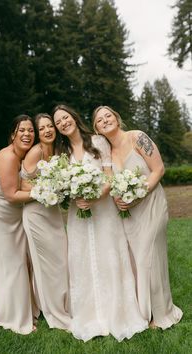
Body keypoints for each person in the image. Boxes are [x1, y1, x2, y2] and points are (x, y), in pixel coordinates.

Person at [52, 104, 148, 342]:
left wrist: (95, 197)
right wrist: (75, 195)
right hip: (79, 213)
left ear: (74, 117)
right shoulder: (60, 153)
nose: (63, 123)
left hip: (103, 209)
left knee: (109, 255)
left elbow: (109, 177)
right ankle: (89, 314)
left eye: (66, 118)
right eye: (58, 122)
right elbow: (61, 184)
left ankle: (117, 312)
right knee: (82, 259)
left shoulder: (98, 142)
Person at [92, 105, 183, 329]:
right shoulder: (107, 153)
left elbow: (158, 170)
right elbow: (111, 184)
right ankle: (143, 311)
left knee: (148, 258)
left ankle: (161, 314)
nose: (105, 120)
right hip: (129, 214)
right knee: (137, 261)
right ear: (96, 128)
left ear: (117, 117)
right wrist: (119, 200)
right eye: (100, 120)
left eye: (108, 116)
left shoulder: (137, 137)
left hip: (151, 205)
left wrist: (138, 195)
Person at [0, 114, 38, 334]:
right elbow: (12, 195)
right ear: (13, 134)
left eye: (31, 130)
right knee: (11, 265)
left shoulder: (25, 157)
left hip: (14, 216)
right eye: (22, 130)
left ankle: (25, 309)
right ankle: (13, 318)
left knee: (22, 261)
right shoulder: (9, 157)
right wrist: (43, 192)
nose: (27, 134)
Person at [21, 113, 71, 331]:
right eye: (42, 129)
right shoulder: (35, 152)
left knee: (61, 259)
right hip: (36, 214)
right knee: (46, 264)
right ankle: (52, 309)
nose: (48, 130)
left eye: (50, 126)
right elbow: (23, 186)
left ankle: (62, 302)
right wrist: (46, 190)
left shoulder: (59, 151)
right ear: (38, 133)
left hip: (53, 212)